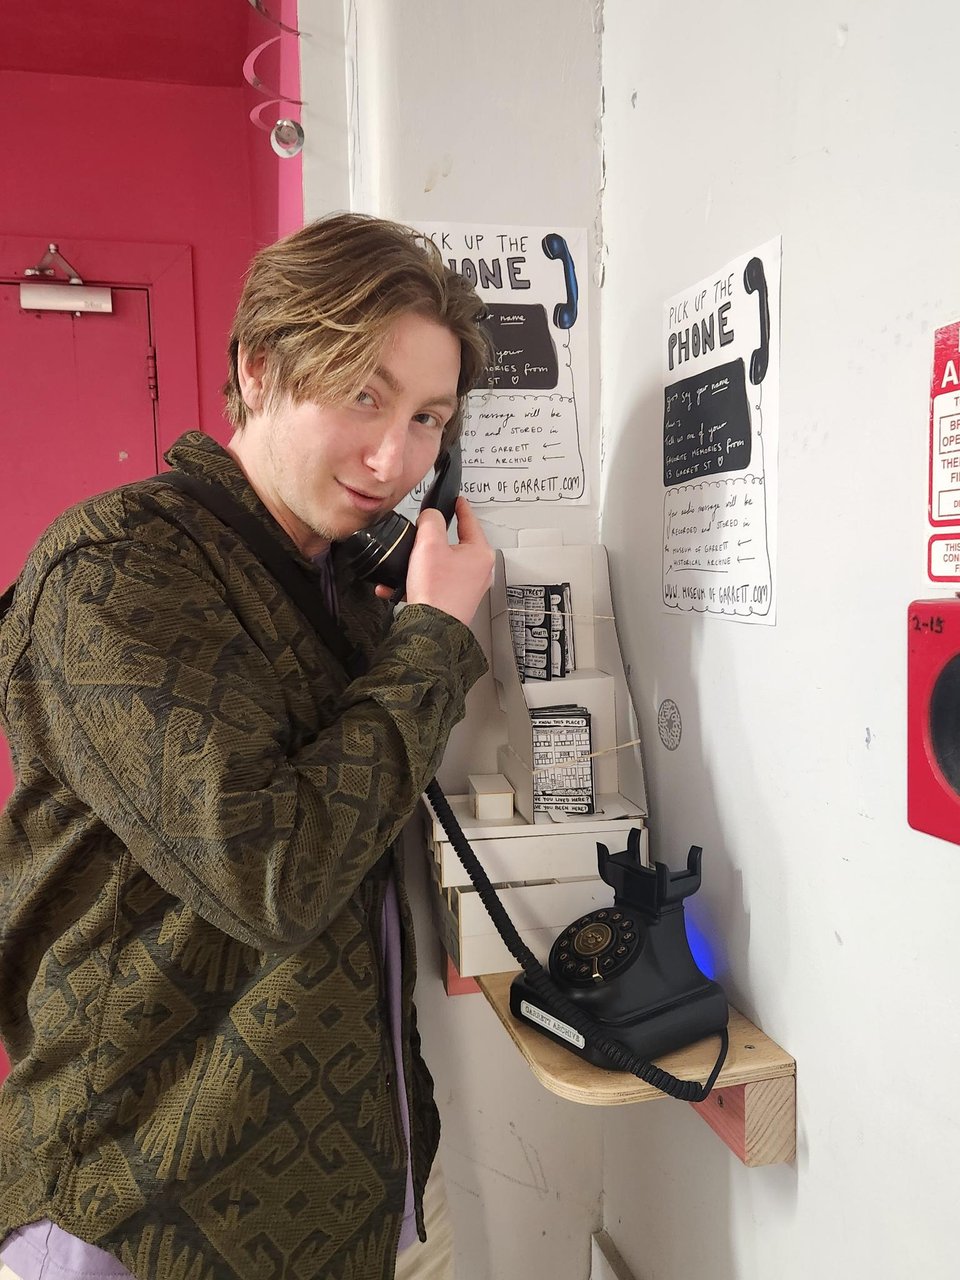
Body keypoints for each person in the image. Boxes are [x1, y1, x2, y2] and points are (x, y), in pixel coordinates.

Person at [0, 213, 494, 1280]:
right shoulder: (115, 569)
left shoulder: (342, 586)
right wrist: (434, 643)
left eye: (427, 419)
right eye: (362, 395)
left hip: (362, 1187)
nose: (394, 458)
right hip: (146, 1212)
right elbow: (273, 873)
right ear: (259, 368)